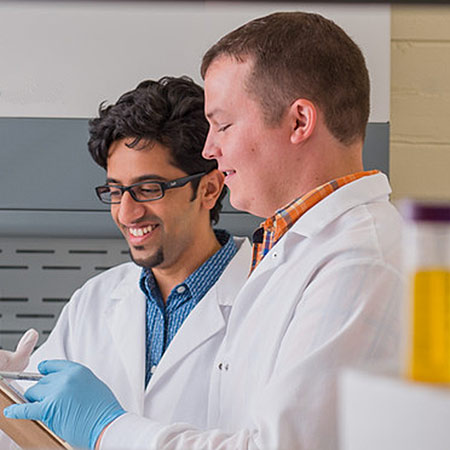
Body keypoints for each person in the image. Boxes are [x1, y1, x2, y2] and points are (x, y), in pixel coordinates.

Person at [4, 12, 403, 450]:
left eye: (225, 124)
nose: (212, 149)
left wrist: (106, 428)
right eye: (115, 191)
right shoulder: (289, 254)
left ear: (299, 122)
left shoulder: (363, 262)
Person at [1, 77, 251, 448]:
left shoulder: (266, 295)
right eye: (116, 191)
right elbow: (35, 438)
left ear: (210, 189)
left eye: (149, 189)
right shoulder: (95, 301)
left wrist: (107, 426)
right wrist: (7, 393)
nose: (127, 212)